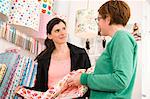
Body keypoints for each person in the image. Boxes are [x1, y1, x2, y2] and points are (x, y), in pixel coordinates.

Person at [67, 0, 137, 99]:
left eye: (98, 19)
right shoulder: (118, 39)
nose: (97, 23)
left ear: (108, 19)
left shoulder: (122, 38)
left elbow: (121, 80)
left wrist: (84, 79)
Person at [16, 17, 91, 98]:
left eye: (64, 29)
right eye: (57, 30)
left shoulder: (80, 54)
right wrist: (24, 90)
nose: (62, 33)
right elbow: (40, 88)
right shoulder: (43, 59)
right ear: (49, 36)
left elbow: (88, 80)